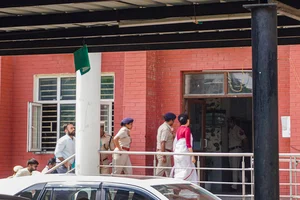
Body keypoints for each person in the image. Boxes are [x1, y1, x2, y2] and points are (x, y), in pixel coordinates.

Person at [171, 113, 197, 183]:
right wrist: (192, 156)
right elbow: (188, 144)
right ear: (188, 120)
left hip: (178, 153)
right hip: (184, 153)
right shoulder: (187, 129)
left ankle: (177, 185)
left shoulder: (179, 129)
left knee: (179, 171)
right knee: (186, 171)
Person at [227, 117, 248, 191]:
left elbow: (244, 139)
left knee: (235, 168)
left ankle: (234, 186)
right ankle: (244, 180)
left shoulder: (238, 129)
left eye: (230, 122)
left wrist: (245, 149)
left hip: (236, 149)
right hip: (231, 150)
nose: (229, 124)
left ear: (233, 122)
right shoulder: (230, 130)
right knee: (233, 167)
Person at [156, 112, 176, 177]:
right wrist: (163, 155)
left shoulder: (164, 127)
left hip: (166, 152)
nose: (173, 122)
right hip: (164, 152)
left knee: (169, 171)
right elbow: (163, 142)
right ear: (171, 120)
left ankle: (170, 183)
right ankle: (153, 182)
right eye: (173, 120)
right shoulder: (165, 129)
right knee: (159, 172)